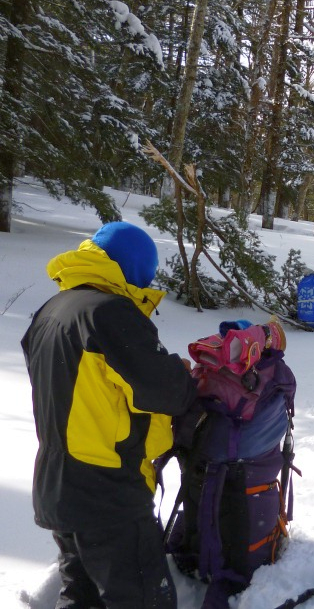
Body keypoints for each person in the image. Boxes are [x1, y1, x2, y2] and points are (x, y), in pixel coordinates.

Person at [21, 221, 199, 608]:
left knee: (80, 596)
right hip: (108, 495)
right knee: (143, 599)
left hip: (57, 485)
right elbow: (167, 393)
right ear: (135, 270)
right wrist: (179, 372)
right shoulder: (110, 314)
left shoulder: (50, 311)